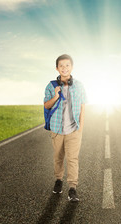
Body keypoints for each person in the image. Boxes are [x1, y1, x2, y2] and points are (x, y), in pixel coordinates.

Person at [43, 54, 86, 202]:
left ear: (72, 67)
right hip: (56, 129)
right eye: (61, 66)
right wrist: (55, 96)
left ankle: (73, 188)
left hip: (74, 129)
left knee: (73, 159)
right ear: (57, 68)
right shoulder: (51, 86)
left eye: (67, 65)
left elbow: (82, 107)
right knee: (58, 157)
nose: (64, 68)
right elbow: (46, 105)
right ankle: (58, 180)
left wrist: (81, 128)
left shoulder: (79, 86)